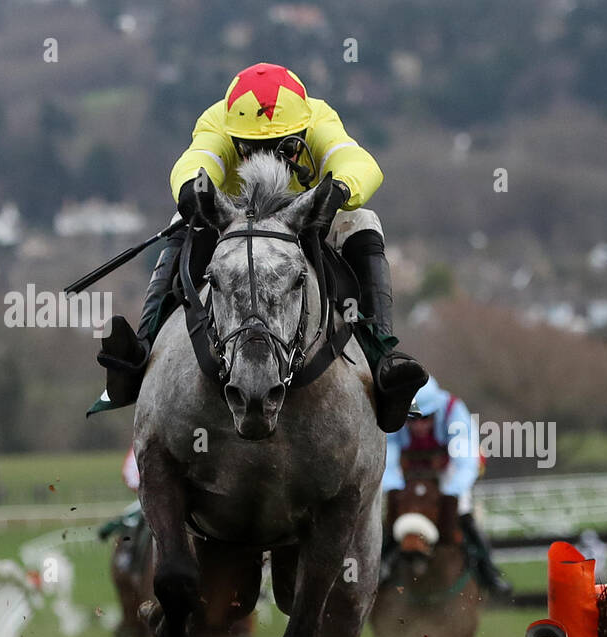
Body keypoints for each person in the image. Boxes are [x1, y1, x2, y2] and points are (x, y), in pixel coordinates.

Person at [92, 62, 426, 432]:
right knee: (183, 220)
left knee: (362, 220)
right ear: (235, 135)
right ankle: (141, 349)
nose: (267, 156)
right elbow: (197, 159)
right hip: (236, 221)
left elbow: (358, 161)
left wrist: (341, 189)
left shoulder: (319, 117)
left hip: (305, 219)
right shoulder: (217, 120)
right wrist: (189, 189)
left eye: (280, 145)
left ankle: (382, 357)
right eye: (253, 147)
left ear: (303, 129)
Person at [380, 375, 512, 597]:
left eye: (426, 418)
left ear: (436, 412)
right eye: (412, 419)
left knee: (462, 509)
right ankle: (381, 565)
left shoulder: (454, 411)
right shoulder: (395, 412)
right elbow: (388, 455)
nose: (419, 426)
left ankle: (488, 572)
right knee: (391, 507)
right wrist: (395, 488)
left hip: (449, 467)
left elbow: (464, 461)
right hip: (409, 469)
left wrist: (451, 493)